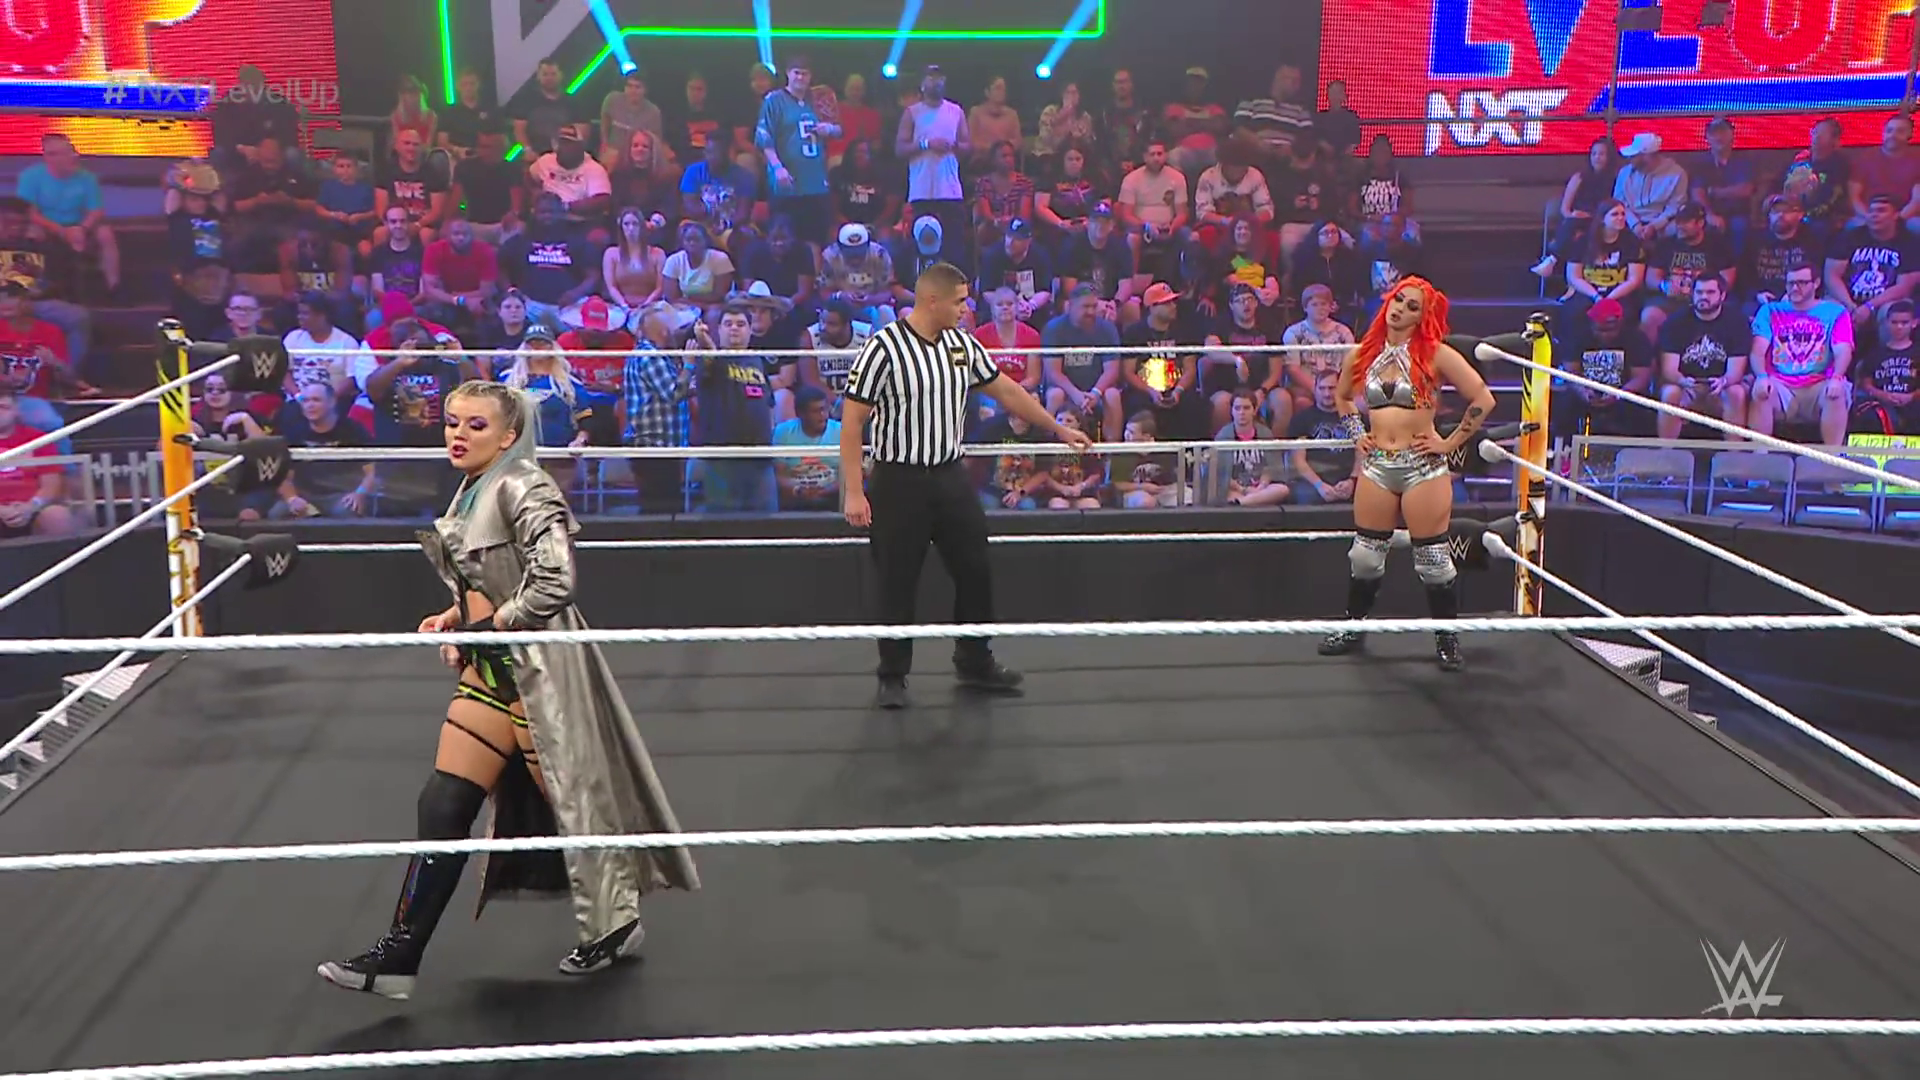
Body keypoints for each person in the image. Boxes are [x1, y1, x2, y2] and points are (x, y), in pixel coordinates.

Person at [319, 381, 698, 1001]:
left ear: (508, 435)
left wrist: (490, 625)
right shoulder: (473, 486)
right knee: (443, 804)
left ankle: (616, 922)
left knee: (574, 802)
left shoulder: (525, 484)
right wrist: (455, 617)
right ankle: (399, 956)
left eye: (475, 425)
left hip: (537, 671)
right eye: (451, 422)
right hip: (490, 670)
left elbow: (554, 581)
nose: (457, 435)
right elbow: (488, 574)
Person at [840, 262, 1091, 710]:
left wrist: (1058, 429)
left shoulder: (961, 345)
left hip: (950, 475)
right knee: (897, 580)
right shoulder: (884, 348)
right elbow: (853, 421)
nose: (965, 309)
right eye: (958, 302)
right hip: (898, 480)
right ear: (932, 300)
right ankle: (892, 674)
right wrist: (855, 491)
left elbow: (1007, 391)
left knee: (976, 568)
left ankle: (974, 659)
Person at [1318, 277, 1494, 672]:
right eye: (1398, 300)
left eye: (1412, 306)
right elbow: (1342, 397)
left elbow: (1483, 397)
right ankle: (1353, 628)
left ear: (1422, 317)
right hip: (1378, 465)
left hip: (1422, 467)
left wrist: (1449, 443)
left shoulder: (1436, 354)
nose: (1400, 309)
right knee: (1365, 557)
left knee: (1433, 560)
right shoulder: (1363, 353)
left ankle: (1446, 638)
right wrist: (1356, 435)